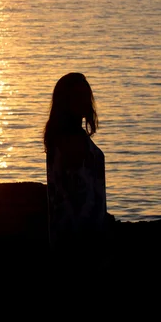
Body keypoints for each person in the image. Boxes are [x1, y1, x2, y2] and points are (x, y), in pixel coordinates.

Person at [44, 72, 108, 253]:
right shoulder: (66, 140)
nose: (84, 102)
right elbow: (73, 196)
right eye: (78, 96)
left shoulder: (72, 136)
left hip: (90, 233)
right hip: (76, 240)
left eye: (86, 96)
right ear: (66, 102)